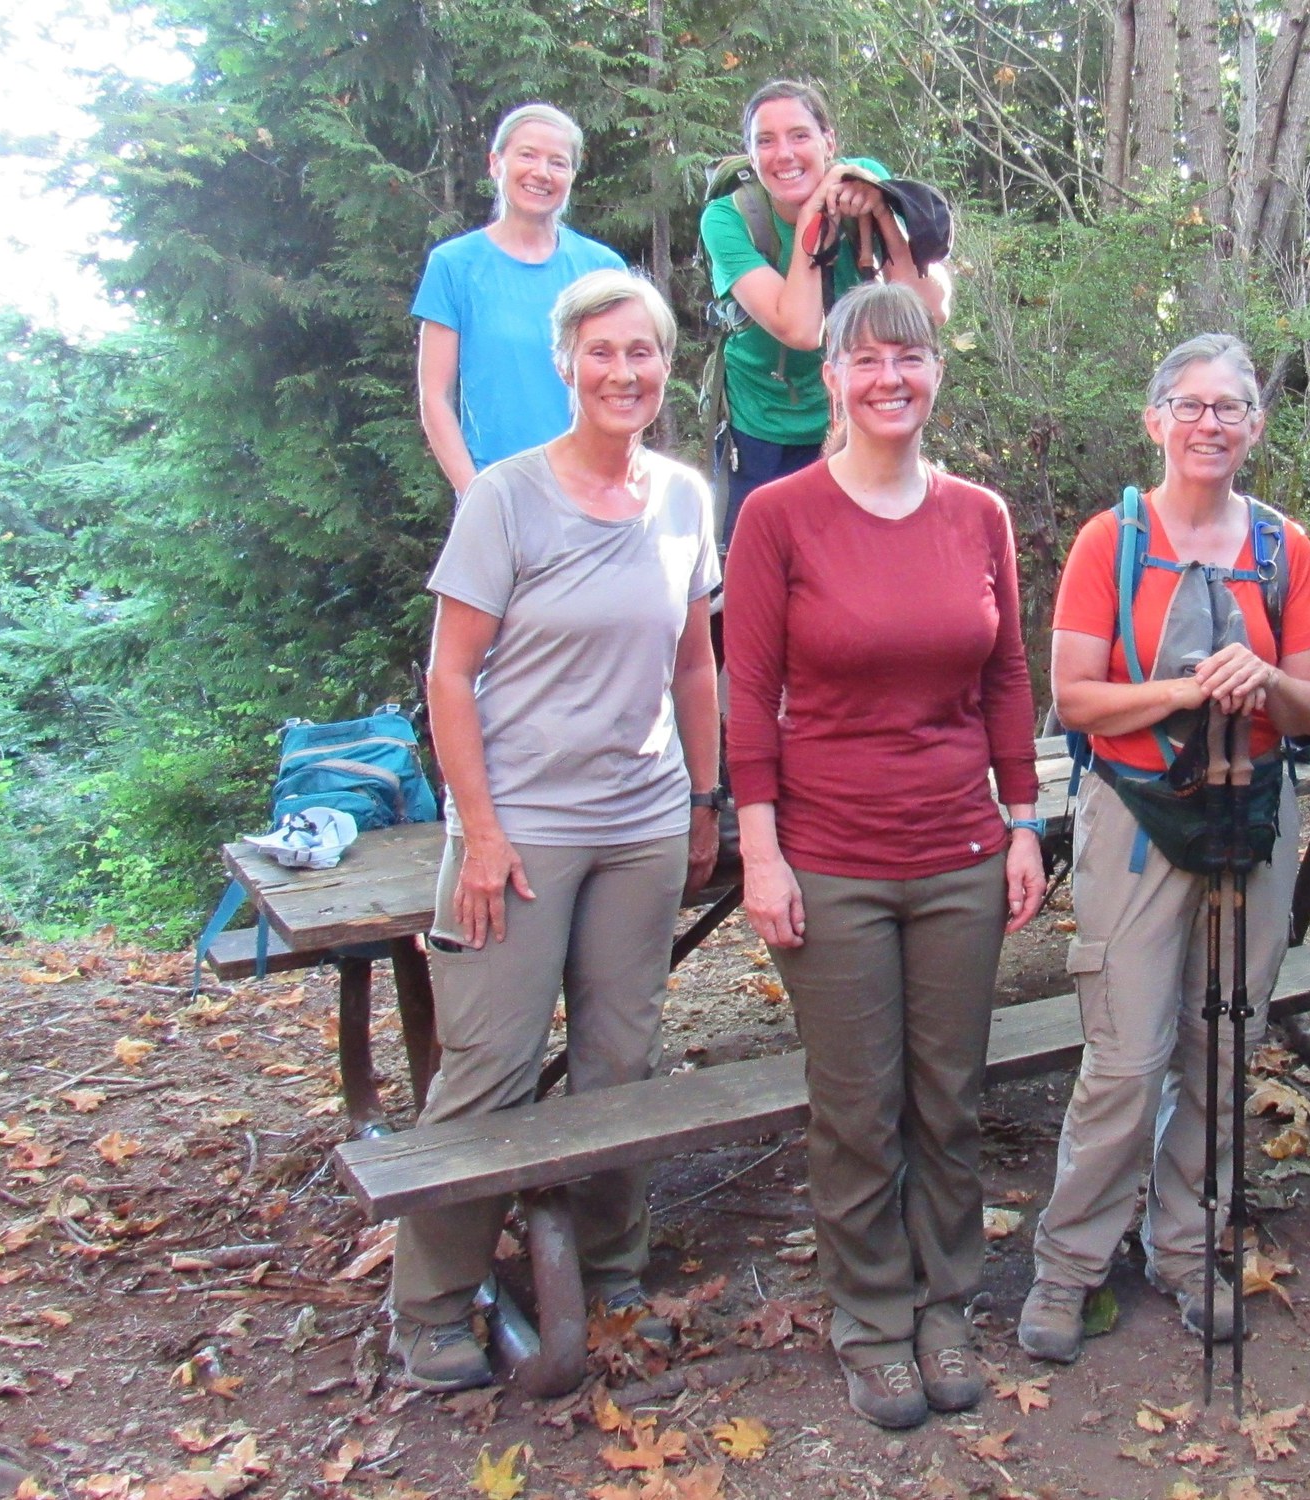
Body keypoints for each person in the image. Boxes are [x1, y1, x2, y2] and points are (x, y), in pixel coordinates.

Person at [388, 269, 722, 1389]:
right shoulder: (505, 497)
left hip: (642, 821)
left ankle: (610, 1272)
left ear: (666, 367)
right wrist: (480, 834)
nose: (624, 372)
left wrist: (704, 798)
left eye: (644, 352)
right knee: (490, 1065)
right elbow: (449, 675)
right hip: (519, 827)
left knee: (619, 1062)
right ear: (566, 363)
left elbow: (693, 663)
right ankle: (433, 1305)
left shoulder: (684, 498)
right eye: (602, 351)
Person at [723, 281, 1043, 1429]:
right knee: (857, 1109)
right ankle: (870, 1320)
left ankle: (944, 1308)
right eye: (865, 359)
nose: (889, 378)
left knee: (947, 1103)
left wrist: (1022, 819)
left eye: (908, 357)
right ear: (831, 380)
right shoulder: (778, 517)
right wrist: (760, 852)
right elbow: (747, 690)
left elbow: (1006, 677)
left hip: (960, 854)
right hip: (830, 859)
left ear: (934, 374)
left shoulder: (978, 516)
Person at [1017, 334, 1310, 1365]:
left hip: (1252, 814)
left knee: (1222, 1044)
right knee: (1125, 1056)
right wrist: (1187, 689)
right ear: (1154, 420)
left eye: (1229, 407)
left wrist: (1264, 680)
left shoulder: (1283, 548)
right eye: (1188, 406)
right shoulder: (1109, 542)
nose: (1208, 424)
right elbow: (1073, 698)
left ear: (1254, 426)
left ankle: (1190, 1247)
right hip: (1136, 817)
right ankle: (1069, 1266)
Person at [700, 79, 951, 544]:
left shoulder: (866, 182)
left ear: (828, 142)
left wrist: (882, 213)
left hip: (857, 423)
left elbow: (930, 311)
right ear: (750, 154)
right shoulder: (727, 219)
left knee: (857, 562)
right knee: (760, 561)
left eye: (799, 135)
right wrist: (814, 217)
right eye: (765, 141)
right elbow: (800, 329)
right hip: (761, 427)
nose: (784, 154)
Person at [413, 103, 625, 496]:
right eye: (527, 155)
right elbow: (435, 397)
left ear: (572, 176)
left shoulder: (602, 268)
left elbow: (623, 388)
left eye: (558, 162)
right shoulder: (454, 266)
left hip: (591, 494)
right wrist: (476, 495)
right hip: (497, 492)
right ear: (496, 164)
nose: (541, 173)